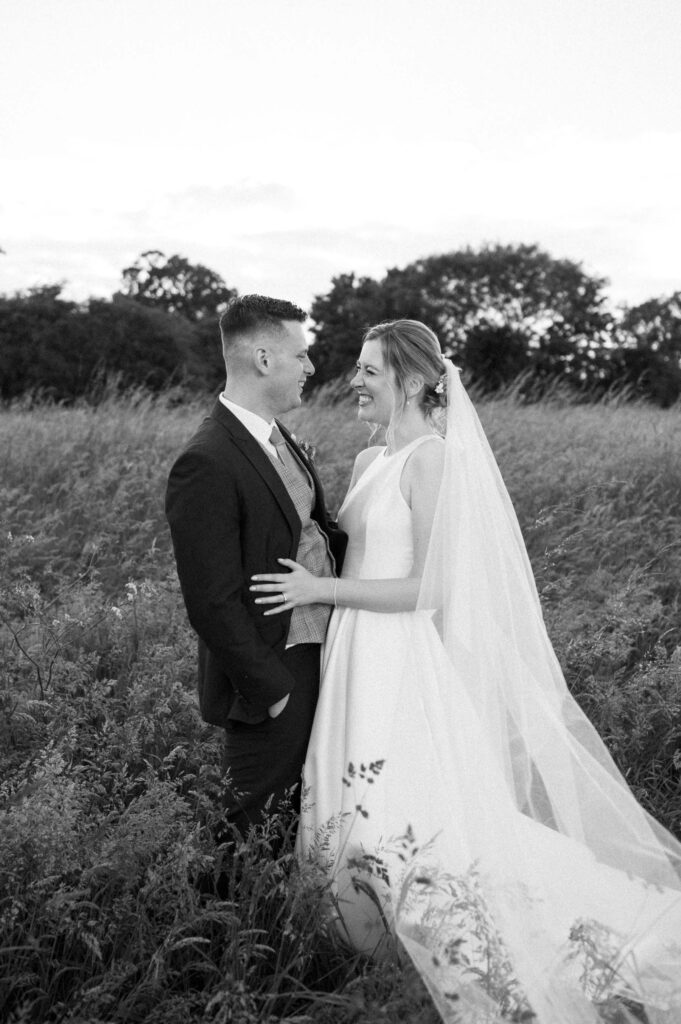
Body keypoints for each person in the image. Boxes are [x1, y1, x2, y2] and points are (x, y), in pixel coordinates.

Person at [250, 320, 681, 1023]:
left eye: (367, 371)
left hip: (397, 659)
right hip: (353, 655)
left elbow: (431, 590)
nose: (351, 382)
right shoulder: (368, 461)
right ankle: (370, 958)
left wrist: (317, 592)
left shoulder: (431, 460)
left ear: (413, 381)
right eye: (355, 370)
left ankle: (477, 948)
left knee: (399, 813)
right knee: (348, 805)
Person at [165, 294, 346, 836]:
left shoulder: (277, 438)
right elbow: (211, 600)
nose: (311, 368)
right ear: (264, 359)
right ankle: (221, 924)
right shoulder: (207, 459)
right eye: (302, 355)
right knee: (247, 836)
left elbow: (315, 530)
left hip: (320, 658)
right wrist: (273, 692)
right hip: (271, 678)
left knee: (302, 823)